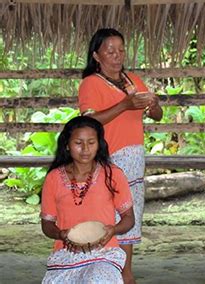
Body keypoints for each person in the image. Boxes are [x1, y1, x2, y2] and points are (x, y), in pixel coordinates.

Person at [78, 28, 163, 283]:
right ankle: (103, 271)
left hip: (134, 158)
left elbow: (157, 116)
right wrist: (125, 105)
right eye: (110, 51)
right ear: (96, 55)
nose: (117, 56)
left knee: (129, 216)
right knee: (105, 216)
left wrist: (154, 104)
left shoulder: (132, 80)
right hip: (108, 158)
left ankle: (126, 273)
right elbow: (89, 121)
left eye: (121, 50)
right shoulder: (91, 83)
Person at [40, 116, 135, 283]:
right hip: (66, 255)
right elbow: (47, 225)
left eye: (91, 142)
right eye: (78, 143)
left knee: (98, 279)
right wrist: (61, 234)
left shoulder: (113, 174)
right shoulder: (54, 178)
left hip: (104, 254)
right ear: (67, 145)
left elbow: (129, 219)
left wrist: (113, 230)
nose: (85, 149)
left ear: (99, 145)